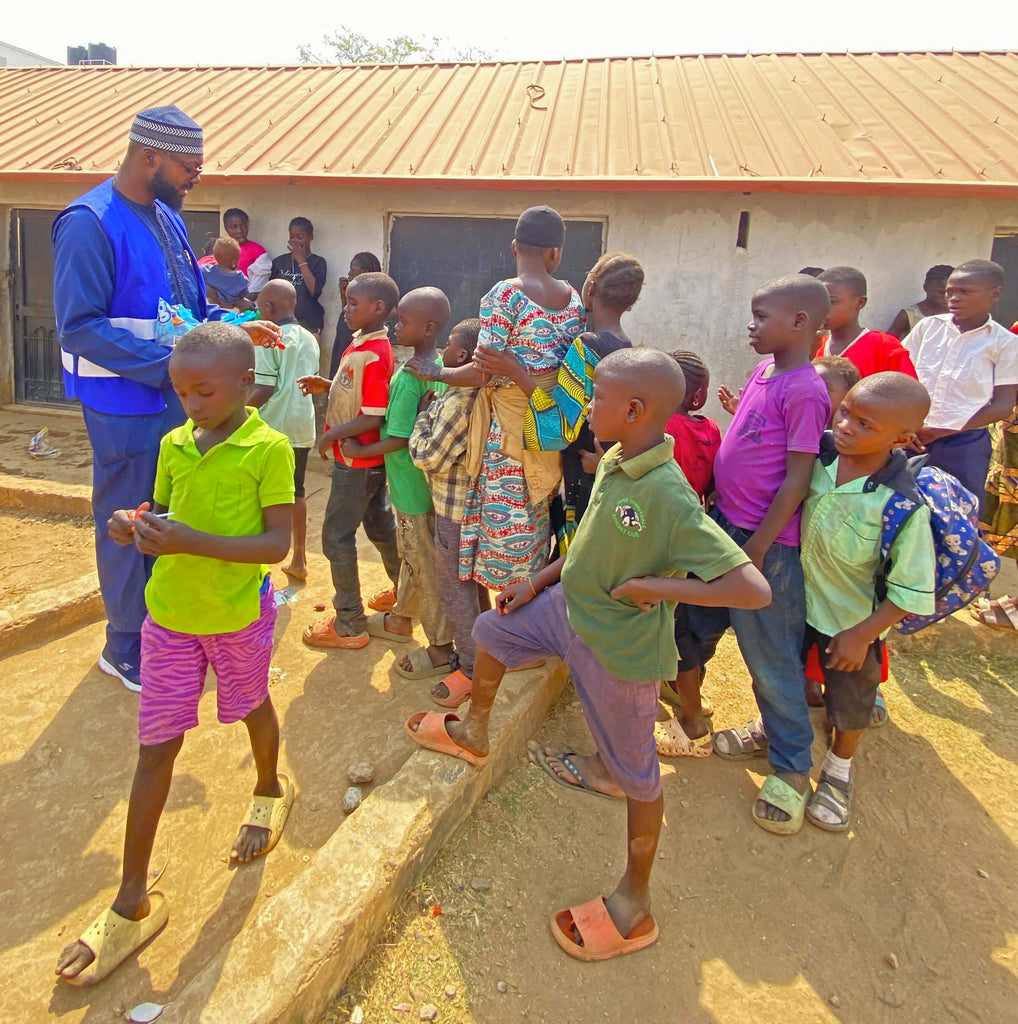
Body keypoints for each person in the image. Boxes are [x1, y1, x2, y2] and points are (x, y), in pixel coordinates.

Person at [405, 348, 770, 960]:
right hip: (566, 610)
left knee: (637, 776)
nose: (587, 405)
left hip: (619, 650)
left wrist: (654, 587)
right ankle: (475, 730)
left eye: (596, 397)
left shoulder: (666, 494)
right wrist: (540, 580)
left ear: (633, 409)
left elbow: (750, 588)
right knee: (494, 634)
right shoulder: (615, 461)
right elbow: (588, 544)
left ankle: (635, 902)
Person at [54, 323, 295, 986]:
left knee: (251, 707)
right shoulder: (172, 444)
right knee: (156, 748)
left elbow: (276, 544)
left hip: (236, 617)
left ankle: (270, 786)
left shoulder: (268, 449)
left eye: (205, 391)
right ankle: (130, 899)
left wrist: (189, 540)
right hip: (169, 619)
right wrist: (135, 526)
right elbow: (161, 511)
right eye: (182, 391)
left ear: (247, 384)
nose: (191, 403)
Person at [51, 104, 281, 691]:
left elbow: (186, 309)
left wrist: (233, 326)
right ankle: (124, 643)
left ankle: (167, 625)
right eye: (189, 167)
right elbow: (79, 325)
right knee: (134, 516)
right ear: (149, 155)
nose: (196, 178)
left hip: (176, 397)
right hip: (127, 406)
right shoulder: (89, 222)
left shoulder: (167, 218)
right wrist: (171, 372)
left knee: (177, 510)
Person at [689, 274, 831, 836]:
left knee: (770, 655)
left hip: (765, 547)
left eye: (760, 315)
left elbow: (796, 480)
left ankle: (793, 769)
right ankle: (712, 715)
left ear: (798, 322)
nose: (750, 325)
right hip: (728, 524)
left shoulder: (806, 389)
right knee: (696, 621)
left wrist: (757, 546)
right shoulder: (764, 371)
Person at [407, 206, 585, 589]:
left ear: (514, 247)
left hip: (507, 433)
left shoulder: (506, 295)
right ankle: (527, 603)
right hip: (546, 429)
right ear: (556, 252)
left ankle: (507, 627)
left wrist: (438, 372)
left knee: (506, 536)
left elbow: (481, 371)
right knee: (535, 522)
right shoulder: (574, 301)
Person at [800, 373, 935, 830]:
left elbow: (910, 590)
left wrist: (863, 634)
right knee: (783, 673)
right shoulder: (818, 456)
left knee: (851, 702)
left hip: (850, 622)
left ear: (900, 438)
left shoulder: (902, 505)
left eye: (865, 425)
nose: (845, 427)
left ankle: (838, 770)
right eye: (845, 412)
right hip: (797, 604)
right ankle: (777, 730)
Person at [476, 252, 644, 553]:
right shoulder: (625, 347)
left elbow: (559, 427)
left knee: (571, 555)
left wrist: (516, 372)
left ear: (590, 288)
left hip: (582, 469)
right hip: (603, 460)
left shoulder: (587, 346)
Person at [340, 287, 455, 678]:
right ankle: (401, 619)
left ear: (428, 327)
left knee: (423, 563)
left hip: (410, 489)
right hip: (424, 486)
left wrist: (354, 449)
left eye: (403, 321)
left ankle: (440, 647)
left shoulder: (409, 379)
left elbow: (400, 437)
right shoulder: (437, 366)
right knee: (413, 555)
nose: (395, 326)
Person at [299, 272, 402, 648]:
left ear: (378, 309)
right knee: (379, 527)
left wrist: (330, 435)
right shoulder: (361, 344)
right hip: (361, 462)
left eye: (353, 303)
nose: (345, 309)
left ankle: (349, 622)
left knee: (335, 537)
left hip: (357, 463)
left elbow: (373, 416)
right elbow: (358, 393)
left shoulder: (374, 355)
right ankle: (406, 594)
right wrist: (328, 386)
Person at [408, 319, 490, 708]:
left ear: (460, 356)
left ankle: (472, 669)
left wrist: (422, 418)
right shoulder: (480, 394)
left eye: (449, 346)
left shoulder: (459, 403)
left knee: (455, 588)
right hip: (474, 508)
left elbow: (428, 456)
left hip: (453, 511)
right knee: (473, 583)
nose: (442, 353)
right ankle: (486, 651)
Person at [654, 350, 723, 758]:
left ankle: (693, 719)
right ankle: (679, 688)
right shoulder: (711, 429)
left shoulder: (662, 430)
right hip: (695, 534)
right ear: (698, 396)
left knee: (674, 630)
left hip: (663, 541)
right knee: (684, 624)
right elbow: (713, 482)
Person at [904, 259, 1018, 502]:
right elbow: (901, 377)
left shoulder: (1005, 344)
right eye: (950, 291)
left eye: (965, 292)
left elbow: (1002, 405)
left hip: (965, 444)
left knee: (957, 513)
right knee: (902, 508)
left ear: (994, 294)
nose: (953, 298)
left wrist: (946, 430)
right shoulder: (927, 328)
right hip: (910, 438)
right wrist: (903, 426)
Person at [249, 279, 321, 582]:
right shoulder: (310, 338)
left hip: (271, 427)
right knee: (297, 491)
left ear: (268, 308)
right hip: (302, 425)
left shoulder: (268, 337)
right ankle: (300, 558)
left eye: (259, 307)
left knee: (258, 493)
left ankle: (255, 558)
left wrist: (239, 414)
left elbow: (264, 387)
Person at [814, 267, 918, 378]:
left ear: (860, 302)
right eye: (817, 302)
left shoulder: (885, 347)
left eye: (832, 302)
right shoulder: (814, 346)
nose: (822, 308)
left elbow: (907, 393)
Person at [329, 252, 383, 380]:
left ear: (364, 272)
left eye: (352, 270)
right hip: (343, 340)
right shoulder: (357, 293)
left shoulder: (374, 297)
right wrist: (344, 296)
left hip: (353, 345)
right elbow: (347, 314)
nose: (349, 274)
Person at [270, 217, 327, 336]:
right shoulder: (279, 262)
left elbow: (315, 291)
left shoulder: (318, 262)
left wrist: (301, 259)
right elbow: (270, 293)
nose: (295, 241)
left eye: (299, 237)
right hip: (282, 322)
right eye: (292, 237)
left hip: (309, 321)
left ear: (310, 237)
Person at [887, 264, 953, 340]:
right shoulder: (910, 315)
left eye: (951, 293)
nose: (946, 297)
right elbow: (887, 344)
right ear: (925, 287)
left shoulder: (958, 315)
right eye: (941, 293)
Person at [223, 207, 271, 293]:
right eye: (234, 227)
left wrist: (241, 302)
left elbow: (258, 286)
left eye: (243, 226)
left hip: (247, 301)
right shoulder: (220, 249)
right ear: (226, 228)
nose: (239, 231)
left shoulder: (257, 251)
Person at [200, 236, 249, 308]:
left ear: (215, 257)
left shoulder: (206, 271)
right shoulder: (241, 278)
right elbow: (244, 294)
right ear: (234, 261)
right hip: (234, 311)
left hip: (214, 309)